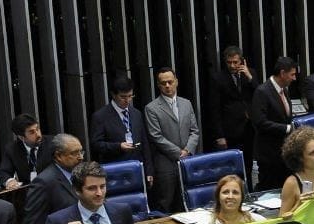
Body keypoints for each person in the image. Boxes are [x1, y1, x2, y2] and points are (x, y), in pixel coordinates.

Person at [145, 67, 201, 213]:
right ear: (158, 85)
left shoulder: (186, 103)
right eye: (163, 83)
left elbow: (194, 131)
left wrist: (187, 150)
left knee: (190, 202)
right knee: (166, 203)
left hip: (188, 161)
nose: (167, 86)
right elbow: (156, 136)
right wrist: (179, 153)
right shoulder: (151, 108)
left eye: (170, 82)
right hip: (166, 164)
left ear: (176, 81)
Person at [205, 46, 259, 175]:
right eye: (229, 62)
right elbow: (214, 109)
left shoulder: (250, 73)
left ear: (242, 61)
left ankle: (249, 187)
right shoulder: (218, 78)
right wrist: (220, 136)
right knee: (233, 167)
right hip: (230, 131)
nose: (232, 65)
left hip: (250, 128)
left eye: (235, 62)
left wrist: (250, 77)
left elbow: (259, 94)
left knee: (249, 165)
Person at [89, 76, 153, 183]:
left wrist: (149, 171)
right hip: (115, 171)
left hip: (137, 169)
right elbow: (96, 144)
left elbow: (145, 144)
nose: (127, 100)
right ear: (113, 95)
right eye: (123, 97)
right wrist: (118, 146)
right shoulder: (100, 116)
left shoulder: (136, 114)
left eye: (130, 96)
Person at [252, 56, 300, 190]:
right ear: (283, 73)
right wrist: (288, 128)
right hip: (269, 155)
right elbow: (260, 122)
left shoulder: (284, 90)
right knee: (270, 190)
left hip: (284, 153)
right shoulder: (262, 91)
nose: (294, 78)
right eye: (292, 74)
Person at [44, 161, 136, 224]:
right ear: (77, 190)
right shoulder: (58, 222)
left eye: (102, 187)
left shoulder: (123, 211)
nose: (99, 193)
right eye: (92, 188)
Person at [22, 133, 84, 224]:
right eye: (74, 153)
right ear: (58, 156)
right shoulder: (43, 183)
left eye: (81, 152)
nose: (81, 157)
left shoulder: (81, 175)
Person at [279, 127, 314, 216]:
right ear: (300, 158)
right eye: (312, 153)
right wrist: (298, 206)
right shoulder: (291, 183)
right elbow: (281, 219)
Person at [0, 113, 53, 188]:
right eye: (32, 132)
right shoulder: (12, 149)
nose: (38, 135)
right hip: (28, 191)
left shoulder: (53, 143)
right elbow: (3, 173)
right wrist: (10, 181)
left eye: (37, 129)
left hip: (51, 187)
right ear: (21, 137)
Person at [189, 174, 266, 224]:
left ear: (242, 197)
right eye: (225, 192)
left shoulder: (256, 220)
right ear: (218, 196)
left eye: (235, 192)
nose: (230, 196)